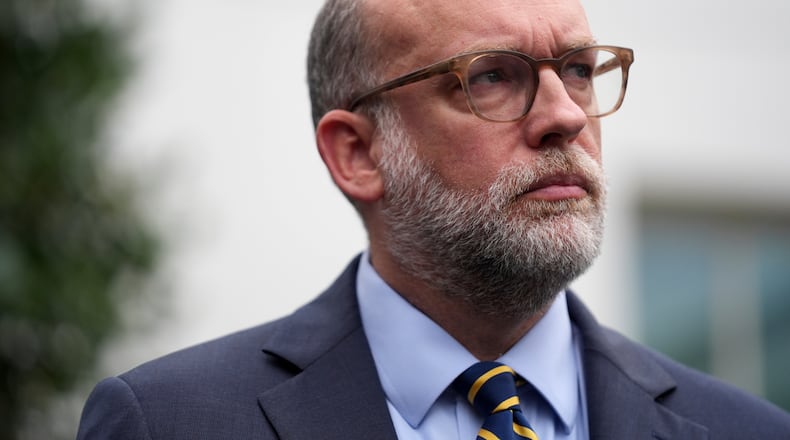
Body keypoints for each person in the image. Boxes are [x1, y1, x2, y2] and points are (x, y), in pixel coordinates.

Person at [76, 0, 790, 438]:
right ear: (358, 152)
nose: (567, 116)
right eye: (491, 76)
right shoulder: (170, 424)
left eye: (577, 69)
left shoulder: (748, 432)